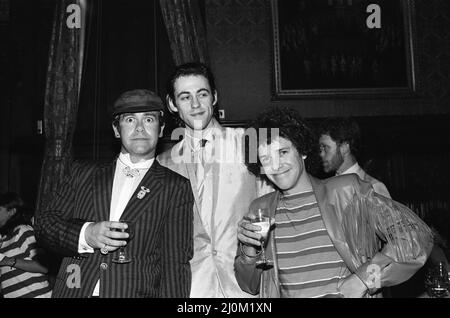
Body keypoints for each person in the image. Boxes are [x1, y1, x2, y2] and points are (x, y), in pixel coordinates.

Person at [235, 107, 433, 298]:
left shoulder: (346, 191)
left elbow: (413, 236)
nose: (276, 165)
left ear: (302, 151)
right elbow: (250, 286)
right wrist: (249, 249)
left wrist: (364, 279)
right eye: (266, 159)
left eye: (283, 152)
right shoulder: (261, 209)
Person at [34, 89, 193, 298]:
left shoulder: (175, 187)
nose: (139, 128)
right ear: (117, 130)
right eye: (129, 120)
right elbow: (44, 225)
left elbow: (175, 264)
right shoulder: (81, 173)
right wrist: (86, 234)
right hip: (74, 291)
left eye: (148, 119)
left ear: (161, 128)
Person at [157, 62, 271, 297]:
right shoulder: (163, 163)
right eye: (185, 97)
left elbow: (272, 208)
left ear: (215, 97)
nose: (196, 104)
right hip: (190, 288)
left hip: (246, 288)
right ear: (172, 104)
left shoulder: (249, 144)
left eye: (202, 94)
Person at [318, 117, 391, 198]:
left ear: (344, 147)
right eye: (320, 149)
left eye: (325, 147)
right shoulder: (326, 188)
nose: (321, 154)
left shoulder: (374, 188)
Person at [0, 192, 52, 298]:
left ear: (12, 211)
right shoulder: (3, 239)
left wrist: (6, 261)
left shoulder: (23, 231)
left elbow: (44, 267)